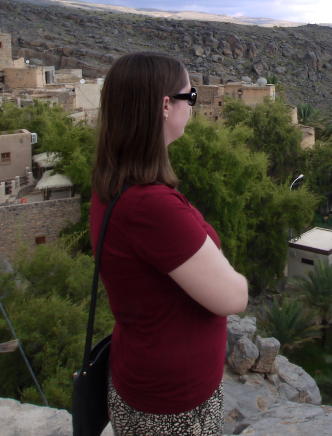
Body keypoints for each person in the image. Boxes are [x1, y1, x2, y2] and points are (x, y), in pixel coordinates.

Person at [90, 51, 248, 435]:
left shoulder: (113, 184)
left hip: (140, 380)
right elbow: (234, 297)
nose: (193, 106)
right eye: (190, 97)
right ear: (165, 106)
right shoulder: (151, 207)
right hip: (172, 406)